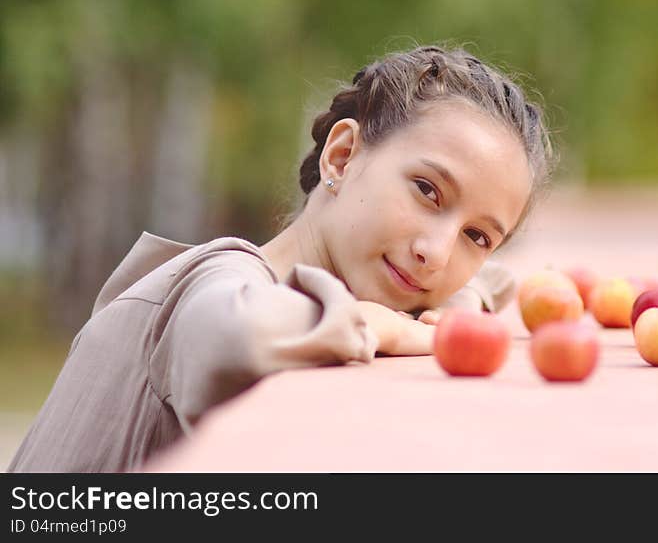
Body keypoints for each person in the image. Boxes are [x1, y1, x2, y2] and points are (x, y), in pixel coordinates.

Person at [7, 44, 556, 472]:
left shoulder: (366, 279)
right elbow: (230, 335)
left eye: (477, 237)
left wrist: (459, 305)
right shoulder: (221, 277)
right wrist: (376, 325)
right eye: (426, 190)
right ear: (342, 157)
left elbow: (493, 280)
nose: (435, 254)